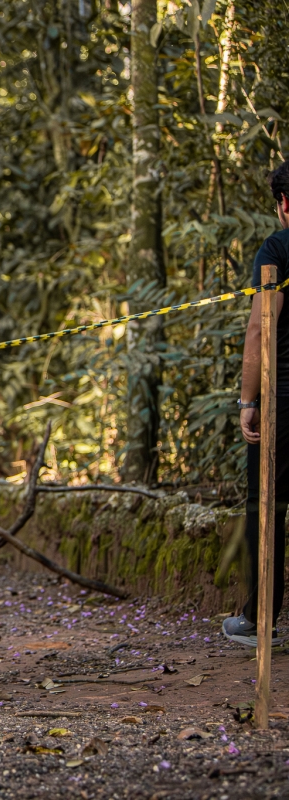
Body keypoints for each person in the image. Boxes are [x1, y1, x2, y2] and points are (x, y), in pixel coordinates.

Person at [229, 159, 289, 648]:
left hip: (282, 399)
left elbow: (259, 329)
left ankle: (258, 618)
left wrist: (248, 399)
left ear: (284, 203)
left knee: (266, 505)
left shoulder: (277, 250)